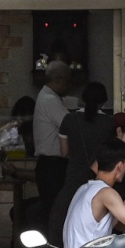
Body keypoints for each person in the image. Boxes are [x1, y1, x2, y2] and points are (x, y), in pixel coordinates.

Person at [49, 82, 117, 239]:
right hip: (99, 179)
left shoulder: (69, 119)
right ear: (104, 100)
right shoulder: (109, 123)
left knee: (69, 215)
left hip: (73, 176)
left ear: (83, 98)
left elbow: (64, 152)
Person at [32, 60, 72, 240]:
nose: (69, 86)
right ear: (59, 80)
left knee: (53, 213)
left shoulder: (48, 98)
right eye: (67, 81)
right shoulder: (50, 100)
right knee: (55, 215)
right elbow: (71, 126)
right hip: (52, 165)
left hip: (50, 165)